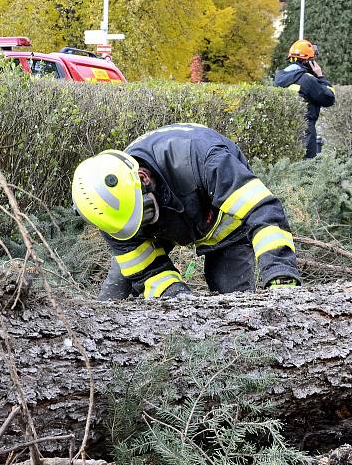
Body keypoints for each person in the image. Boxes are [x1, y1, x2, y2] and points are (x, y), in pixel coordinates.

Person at [71, 123, 301, 300]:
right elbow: (146, 271)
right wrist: (179, 299)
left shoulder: (207, 160)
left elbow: (263, 213)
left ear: (143, 178)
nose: (145, 226)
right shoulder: (110, 210)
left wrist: (280, 274)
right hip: (167, 217)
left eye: (146, 214)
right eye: (135, 223)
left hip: (219, 222)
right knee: (115, 292)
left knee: (234, 297)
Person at [273, 39, 335, 159]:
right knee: (307, 167)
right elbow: (329, 98)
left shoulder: (279, 77)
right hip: (305, 130)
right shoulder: (307, 79)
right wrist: (320, 76)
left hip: (282, 129)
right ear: (308, 61)